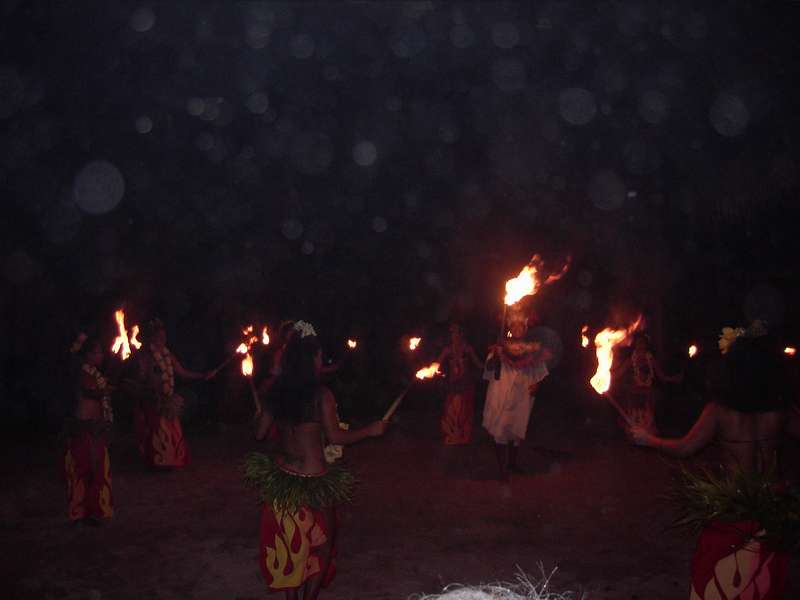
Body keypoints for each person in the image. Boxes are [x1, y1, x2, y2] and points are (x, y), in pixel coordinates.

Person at [629, 321, 799, 600]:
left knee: (722, 575)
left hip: (735, 503)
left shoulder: (720, 412)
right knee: (763, 575)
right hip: (772, 500)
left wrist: (649, 439)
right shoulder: (781, 411)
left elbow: (685, 448)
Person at [248, 320, 387, 600]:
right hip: (314, 479)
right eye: (319, 355)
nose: (321, 359)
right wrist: (370, 431)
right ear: (312, 358)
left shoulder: (276, 392)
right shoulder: (321, 396)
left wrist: (259, 413)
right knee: (322, 544)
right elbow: (335, 437)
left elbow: (259, 433)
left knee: (291, 544)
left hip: (283, 477)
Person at [134, 318, 212, 468]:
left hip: (167, 399)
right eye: (159, 337)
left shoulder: (167, 354)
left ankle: (172, 459)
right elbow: (141, 378)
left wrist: (202, 375)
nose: (163, 340)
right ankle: (157, 461)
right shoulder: (145, 356)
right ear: (152, 338)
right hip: (153, 401)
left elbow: (182, 372)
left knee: (172, 429)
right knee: (156, 431)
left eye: (164, 337)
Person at [482, 309, 549, 480]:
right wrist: (496, 356)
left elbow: (540, 371)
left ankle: (512, 464)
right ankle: (502, 470)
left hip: (522, 393)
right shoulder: (500, 346)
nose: (518, 328)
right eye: (514, 325)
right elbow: (489, 368)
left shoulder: (532, 348)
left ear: (525, 328)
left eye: (521, 325)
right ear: (510, 328)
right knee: (501, 429)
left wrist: (537, 384)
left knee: (516, 429)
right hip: (501, 392)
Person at [64, 333, 114, 523]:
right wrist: (103, 391)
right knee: (86, 468)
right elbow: (87, 392)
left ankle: (94, 509)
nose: (101, 355)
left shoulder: (94, 373)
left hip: (95, 427)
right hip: (85, 427)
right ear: (88, 355)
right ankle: (83, 511)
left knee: (97, 468)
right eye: (98, 352)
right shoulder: (82, 373)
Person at [613, 332, 682, 430]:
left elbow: (661, 375)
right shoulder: (631, 360)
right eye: (639, 343)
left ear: (646, 345)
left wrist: (672, 379)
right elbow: (619, 372)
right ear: (635, 345)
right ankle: (635, 433)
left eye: (643, 343)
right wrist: (606, 376)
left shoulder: (650, 359)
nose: (641, 345)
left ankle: (648, 434)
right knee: (634, 417)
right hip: (634, 393)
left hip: (648, 393)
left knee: (648, 417)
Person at [435, 322, 483, 445]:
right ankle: (451, 436)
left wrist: (490, 365)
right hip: (453, 385)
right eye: (452, 333)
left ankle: (463, 437)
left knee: (464, 411)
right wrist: (431, 370)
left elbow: (478, 364)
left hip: (465, 385)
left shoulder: (467, 349)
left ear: (461, 334)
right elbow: (436, 365)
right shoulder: (447, 350)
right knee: (450, 410)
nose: (454, 335)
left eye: (457, 332)